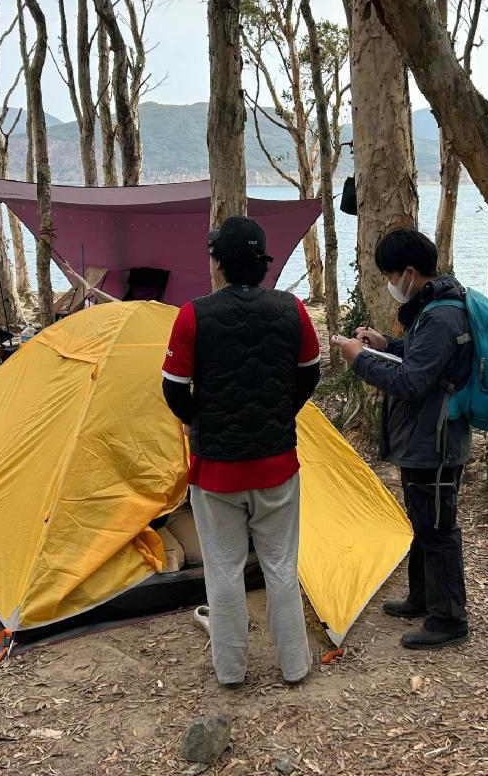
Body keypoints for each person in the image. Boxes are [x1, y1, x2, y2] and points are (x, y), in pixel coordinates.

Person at [161, 216, 321, 688]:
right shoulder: (293, 309)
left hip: (215, 472)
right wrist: (280, 411)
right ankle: (295, 665)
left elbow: (172, 390)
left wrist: (202, 421)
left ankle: (231, 671)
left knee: (225, 570)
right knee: (279, 566)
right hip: (276, 465)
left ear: (219, 265)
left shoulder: (193, 315)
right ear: (262, 264)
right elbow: (309, 372)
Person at [332, 227, 472, 650]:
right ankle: (422, 597)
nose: (391, 285)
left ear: (409, 272)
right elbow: (422, 359)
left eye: (391, 276)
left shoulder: (441, 315)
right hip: (426, 436)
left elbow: (412, 382)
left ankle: (448, 618)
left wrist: (359, 360)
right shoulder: (432, 309)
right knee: (422, 520)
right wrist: (385, 343)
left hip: (437, 441)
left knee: (438, 526)